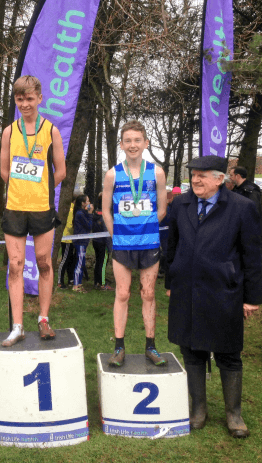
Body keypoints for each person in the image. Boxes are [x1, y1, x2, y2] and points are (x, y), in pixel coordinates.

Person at [166, 155, 262, 438]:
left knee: (228, 352)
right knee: (192, 351)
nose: (196, 180)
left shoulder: (242, 207)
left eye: (203, 175)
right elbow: (173, 244)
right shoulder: (181, 204)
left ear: (221, 179)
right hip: (187, 289)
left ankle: (234, 414)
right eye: (194, 174)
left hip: (224, 290)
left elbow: (252, 255)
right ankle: (198, 409)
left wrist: (252, 297)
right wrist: (171, 280)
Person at [0, 75, 66, 346]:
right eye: (19, 99)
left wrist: (41, 187)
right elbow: (5, 171)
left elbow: (60, 171)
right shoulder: (9, 131)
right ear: (15, 100)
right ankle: (17, 326)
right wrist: (22, 187)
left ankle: (43, 318)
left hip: (41, 208)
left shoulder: (51, 131)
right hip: (14, 208)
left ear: (39, 98)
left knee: (43, 262)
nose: (25, 104)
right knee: (15, 266)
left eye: (29, 98)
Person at [102, 119, 167, 367]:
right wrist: (116, 233)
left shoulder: (157, 173)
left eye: (137, 140)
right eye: (128, 140)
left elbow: (162, 209)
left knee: (149, 293)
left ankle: (151, 346)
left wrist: (144, 225)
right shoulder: (112, 174)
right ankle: (119, 347)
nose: (132, 145)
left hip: (149, 242)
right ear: (121, 144)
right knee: (122, 293)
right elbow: (106, 210)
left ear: (146, 143)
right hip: (122, 244)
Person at [71, 195, 93, 293]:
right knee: (79, 263)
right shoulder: (80, 213)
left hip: (84, 241)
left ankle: (79, 284)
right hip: (80, 241)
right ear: (83, 203)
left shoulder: (82, 212)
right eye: (87, 201)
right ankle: (75, 285)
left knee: (82, 262)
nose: (89, 202)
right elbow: (89, 225)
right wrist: (90, 213)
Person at [92, 192, 112, 291]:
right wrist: (110, 247)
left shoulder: (96, 212)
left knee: (98, 262)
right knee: (103, 263)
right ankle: (103, 284)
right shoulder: (105, 215)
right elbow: (106, 231)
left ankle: (97, 281)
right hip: (103, 243)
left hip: (96, 241)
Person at [57, 201, 77, 289]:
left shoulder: (74, 209)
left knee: (71, 259)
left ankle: (70, 279)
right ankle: (60, 281)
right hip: (67, 238)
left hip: (72, 238)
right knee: (65, 259)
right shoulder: (71, 209)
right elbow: (69, 225)